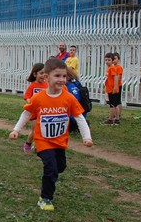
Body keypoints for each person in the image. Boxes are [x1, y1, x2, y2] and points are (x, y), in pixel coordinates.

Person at [9, 58, 93, 211]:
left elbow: (80, 118)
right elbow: (26, 113)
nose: (62, 80)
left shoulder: (68, 98)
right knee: (51, 168)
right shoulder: (38, 98)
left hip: (60, 141)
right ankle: (45, 198)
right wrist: (16, 130)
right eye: (57, 76)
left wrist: (86, 137)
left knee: (60, 167)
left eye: (64, 76)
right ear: (46, 77)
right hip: (43, 140)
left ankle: (39, 153)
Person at [22, 63, 48, 153]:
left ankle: (38, 145)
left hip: (44, 112)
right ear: (35, 74)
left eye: (44, 73)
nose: (43, 76)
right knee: (35, 130)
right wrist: (32, 103)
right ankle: (28, 143)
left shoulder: (47, 85)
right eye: (41, 73)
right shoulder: (32, 86)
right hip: (34, 113)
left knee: (43, 130)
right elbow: (27, 97)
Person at [66, 66, 89, 133]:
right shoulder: (77, 83)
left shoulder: (70, 86)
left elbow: (76, 99)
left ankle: (76, 125)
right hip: (82, 109)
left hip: (77, 111)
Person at [102, 53, 122, 125]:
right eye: (106, 60)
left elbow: (115, 77)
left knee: (113, 105)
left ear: (112, 60)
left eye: (109, 60)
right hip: (109, 89)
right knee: (114, 104)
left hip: (112, 89)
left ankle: (111, 119)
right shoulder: (109, 68)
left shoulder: (112, 68)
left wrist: (115, 87)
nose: (107, 61)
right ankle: (116, 119)